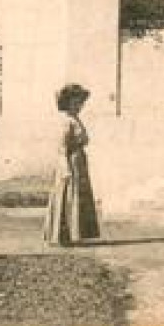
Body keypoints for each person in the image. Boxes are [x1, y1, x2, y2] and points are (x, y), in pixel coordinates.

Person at [43, 83, 101, 245]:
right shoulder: (66, 122)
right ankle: (63, 236)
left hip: (79, 161)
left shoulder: (76, 120)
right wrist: (65, 167)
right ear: (67, 103)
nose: (79, 106)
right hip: (70, 162)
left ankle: (75, 234)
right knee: (68, 196)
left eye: (80, 103)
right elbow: (62, 147)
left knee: (77, 196)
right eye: (75, 103)